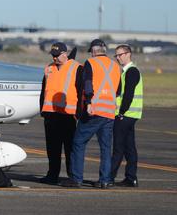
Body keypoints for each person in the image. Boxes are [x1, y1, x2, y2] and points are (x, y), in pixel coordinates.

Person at [62, 39, 121, 189]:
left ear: (93, 51)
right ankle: (105, 180)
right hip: (109, 112)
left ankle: (76, 178)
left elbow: (88, 84)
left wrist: (88, 102)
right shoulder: (115, 66)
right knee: (106, 148)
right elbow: (118, 90)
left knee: (78, 142)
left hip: (94, 110)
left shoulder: (91, 63)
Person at [39, 42, 82, 185]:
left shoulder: (76, 68)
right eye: (53, 56)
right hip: (50, 114)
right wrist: (42, 110)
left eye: (57, 55)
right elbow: (43, 90)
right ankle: (52, 175)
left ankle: (72, 176)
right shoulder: (49, 68)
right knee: (52, 149)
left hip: (68, 115)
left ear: (65, 54)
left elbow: (81, 91)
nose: (55, 58)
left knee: (69, 148)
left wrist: (79, 112)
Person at [111, 44, 143, 187]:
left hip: (125, 115)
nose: (118, 58)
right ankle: (131, 178)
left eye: (120, 55)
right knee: (129, 147)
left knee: (118, 147)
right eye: (116, 55)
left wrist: (121, 112)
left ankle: (108, 177)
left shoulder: (131, 71)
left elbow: (128, 95)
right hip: (130, 115)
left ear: (128, 54)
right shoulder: (125, 71)